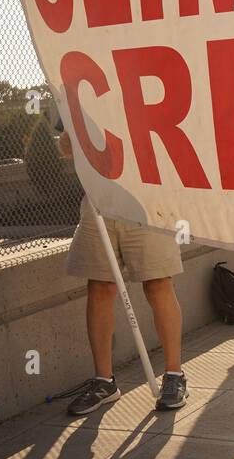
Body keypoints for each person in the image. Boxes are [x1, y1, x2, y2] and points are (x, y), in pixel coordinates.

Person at [54, 116, 189, 414]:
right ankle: (104, 382)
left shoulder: (143, 74)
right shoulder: (76, 77)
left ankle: (175, 375)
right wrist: (73, 139)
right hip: (100, 199)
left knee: (157, 283)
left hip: (149, 196)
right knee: (100, 286)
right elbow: (66, 145)